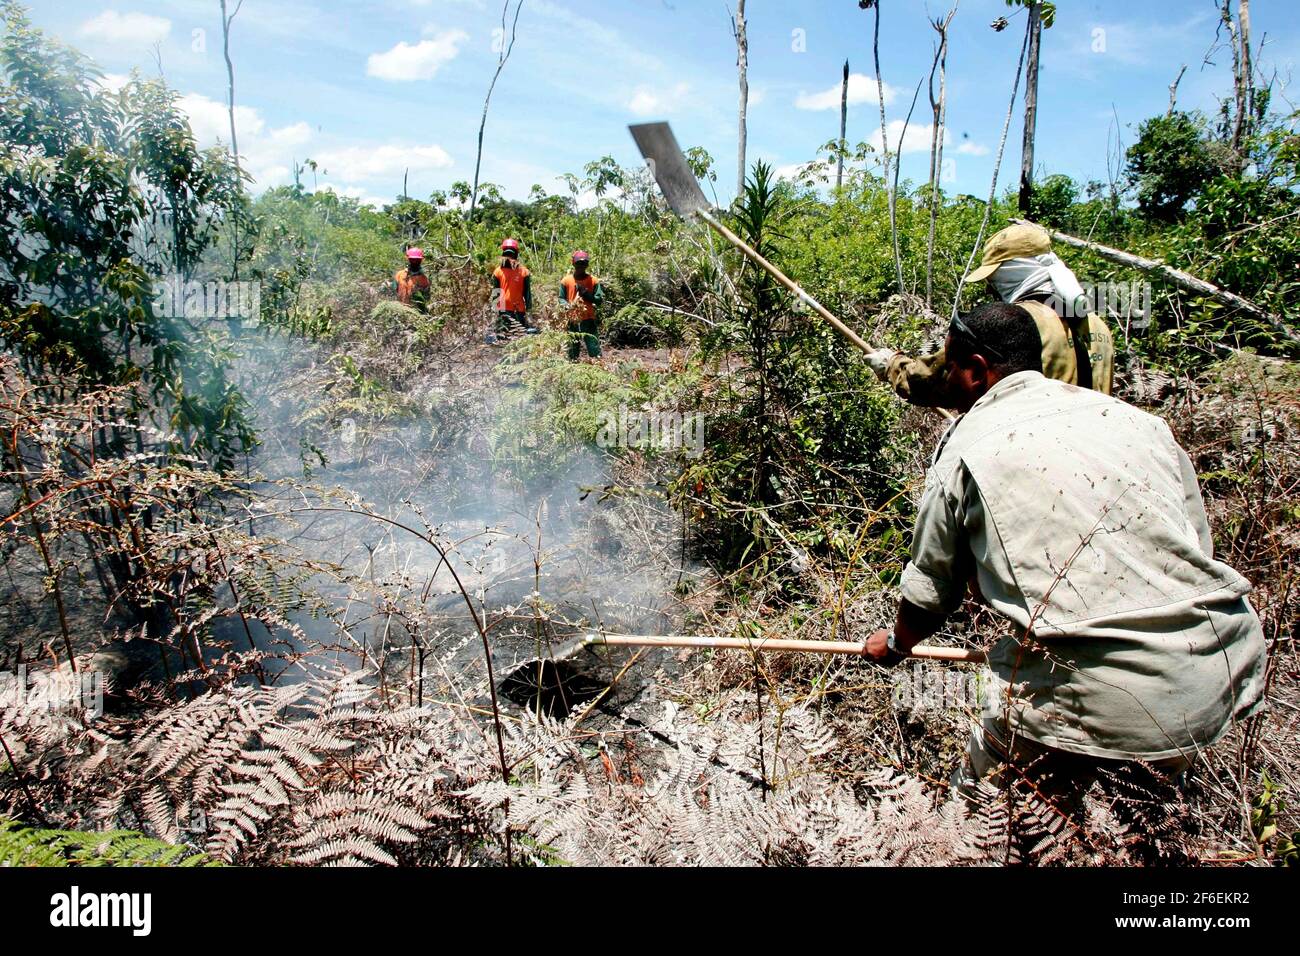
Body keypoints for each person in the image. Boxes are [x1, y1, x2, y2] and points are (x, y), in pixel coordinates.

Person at [861, 301, 1266, 811]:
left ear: (980, 370)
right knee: (1139, 824)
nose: (948, 382)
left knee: (988, 823)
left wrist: (896, 645)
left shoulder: (966, 446)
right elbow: (1195, 548)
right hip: (1211, 675)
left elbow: (930, 589)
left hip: (1087, 698)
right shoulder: (1140, 422)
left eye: (952, 368)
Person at [866, 223, 1115, 407]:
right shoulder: (1096, 326)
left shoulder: (1013, 323)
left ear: (1011, 272)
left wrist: (892, 365)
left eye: (993, 278)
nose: (989, 287)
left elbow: (935, 379)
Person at [489, 238, 536, 342]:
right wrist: (495, 312)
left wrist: (529, 312)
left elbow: (527, 294)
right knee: (505, 339)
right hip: (504, 311)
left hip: (518, 311)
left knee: (517, 339)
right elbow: (496, 292)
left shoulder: (524, 272)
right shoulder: (498, 272)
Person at [560, 250, 603, 361]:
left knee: (594, 348)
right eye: (579, 264)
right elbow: (561, 298)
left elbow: (599, 300)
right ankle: (573, 368)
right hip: (572, 320)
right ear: (573, 264)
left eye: (583, 264)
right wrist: (567, 306)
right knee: (572, 350)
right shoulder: (566, 281)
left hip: (588, 319)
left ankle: (598, 368)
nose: (581, 267)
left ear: (587, 265)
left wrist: (587, 294)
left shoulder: (593, 281)